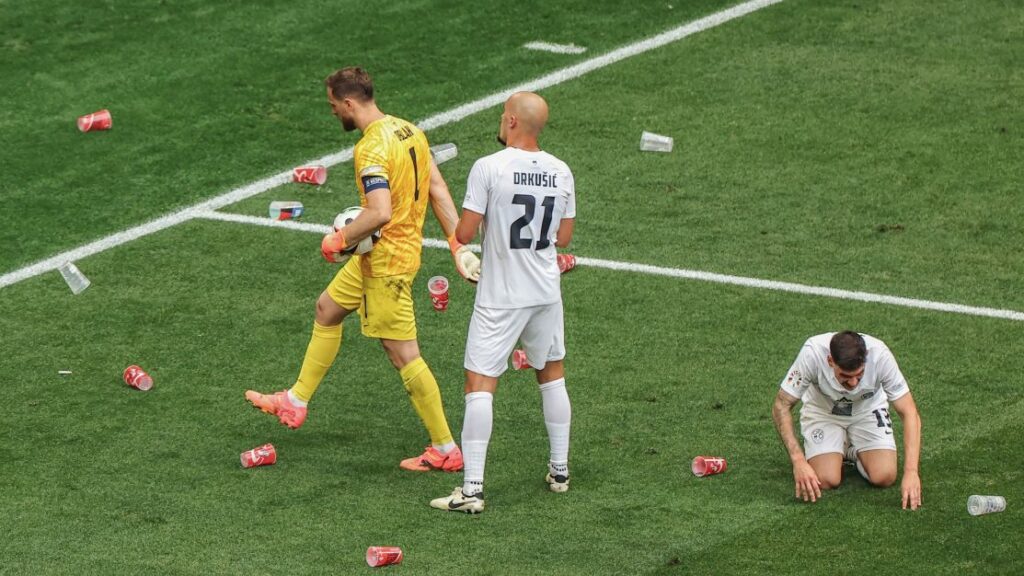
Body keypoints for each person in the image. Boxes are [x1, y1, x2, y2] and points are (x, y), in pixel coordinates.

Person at [245, 67, 481, 472]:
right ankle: (296, 400)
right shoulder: (410, 131)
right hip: (378, 257)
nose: (333, 112)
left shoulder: (371, 149)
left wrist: (338, 239)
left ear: (349, 103)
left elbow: (379, 212)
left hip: (387, 264)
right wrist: (456, 242)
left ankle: (445, 447)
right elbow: (438, 187)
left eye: (334, 106)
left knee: (402, 354)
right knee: (327, 309)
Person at [430, 91, 575, 513]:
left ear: (511, 121)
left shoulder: (488, 167)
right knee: (551, 374)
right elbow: (562, 239)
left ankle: (471, 490)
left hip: (501, 297)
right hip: (545, 291)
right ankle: (560, 470)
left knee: (479, 385)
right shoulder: (561, 171)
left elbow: (465, 232)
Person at [771, 331, 923, 510]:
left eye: (859, 375)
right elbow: (781, 406)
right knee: (826, 479)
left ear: (865, 359)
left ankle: (850, 451)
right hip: (823, 412)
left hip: (867, 410)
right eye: (845, 376)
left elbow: (909, 412)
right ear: (830, 361)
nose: (853, 383)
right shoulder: (812, 353)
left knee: (885, 476)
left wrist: (912, 472)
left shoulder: (880, 355)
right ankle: (839, 448)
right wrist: (798, 460)